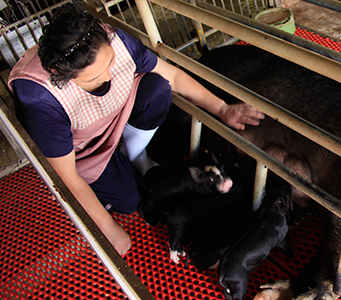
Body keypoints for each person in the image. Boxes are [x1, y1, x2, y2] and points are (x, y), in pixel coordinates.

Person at [7, 3, 264, 255]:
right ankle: (119, 166)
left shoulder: (115, 40)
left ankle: (135, 153)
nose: (108, 76)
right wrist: (108, 228)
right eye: (94, 78)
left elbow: (172, 76)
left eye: (110, 63)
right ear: (61, 74)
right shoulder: (41, 99)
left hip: (117, 114)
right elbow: (67, 175)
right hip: (84, 150)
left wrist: (222, 109)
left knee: (157, 87)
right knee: (131, 201)